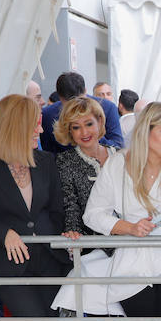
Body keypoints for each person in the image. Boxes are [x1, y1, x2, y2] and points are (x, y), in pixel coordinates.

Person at [65, 102, 161, 317]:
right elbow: (93, 214)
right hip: (131, 263)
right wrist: (129, 227)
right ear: (146, 131)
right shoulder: (117, 164)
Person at [0, 94, 67, 317]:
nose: (40, 131)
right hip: (8, 265)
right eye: (35, 126)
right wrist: (5, 233)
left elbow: (57, 211)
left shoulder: (46, 161)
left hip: (51, 262)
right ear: (14, 127)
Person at [53, 97, 110, 237]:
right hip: (89, 245)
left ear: (100, 122)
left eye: (89, 124)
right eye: (76, 127)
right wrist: (74, 233)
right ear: (69, 131)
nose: (84, 132)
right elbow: (70, 205)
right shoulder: (64, 161)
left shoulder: (121, 156)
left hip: (129, 240)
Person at [40, 72, 122, 152]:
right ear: (60, 97)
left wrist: (94, 135)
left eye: (89, 123)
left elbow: (118, 146)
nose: (76, 110)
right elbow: (48, 155)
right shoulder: (48, 115)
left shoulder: (108, 107)